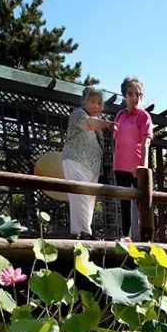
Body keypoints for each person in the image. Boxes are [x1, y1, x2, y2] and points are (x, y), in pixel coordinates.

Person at [62, 86, 115, 237]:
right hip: (76, 161)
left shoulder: (98, 123)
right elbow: (88, 124)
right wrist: (107, 124)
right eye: (93, 101)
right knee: (81, 199)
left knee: (88, 204)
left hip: (92, 168)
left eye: (100, 103)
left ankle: (81, 234)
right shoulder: (78, 113)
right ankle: (84, 235)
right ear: (84, 101)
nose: (97, 105)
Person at [113, 76, 154, 241]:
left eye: (138, 94)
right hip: (119, 165)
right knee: (124, 201)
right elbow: (117, 138)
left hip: (136, 167)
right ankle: (125, 236)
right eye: (130, 93)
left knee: (141, 203)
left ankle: (145, 239)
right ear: (124, 95)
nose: (134, 98)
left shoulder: (143, 116)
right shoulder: (119, 115)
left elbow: (146, 143)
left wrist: (142, 168)